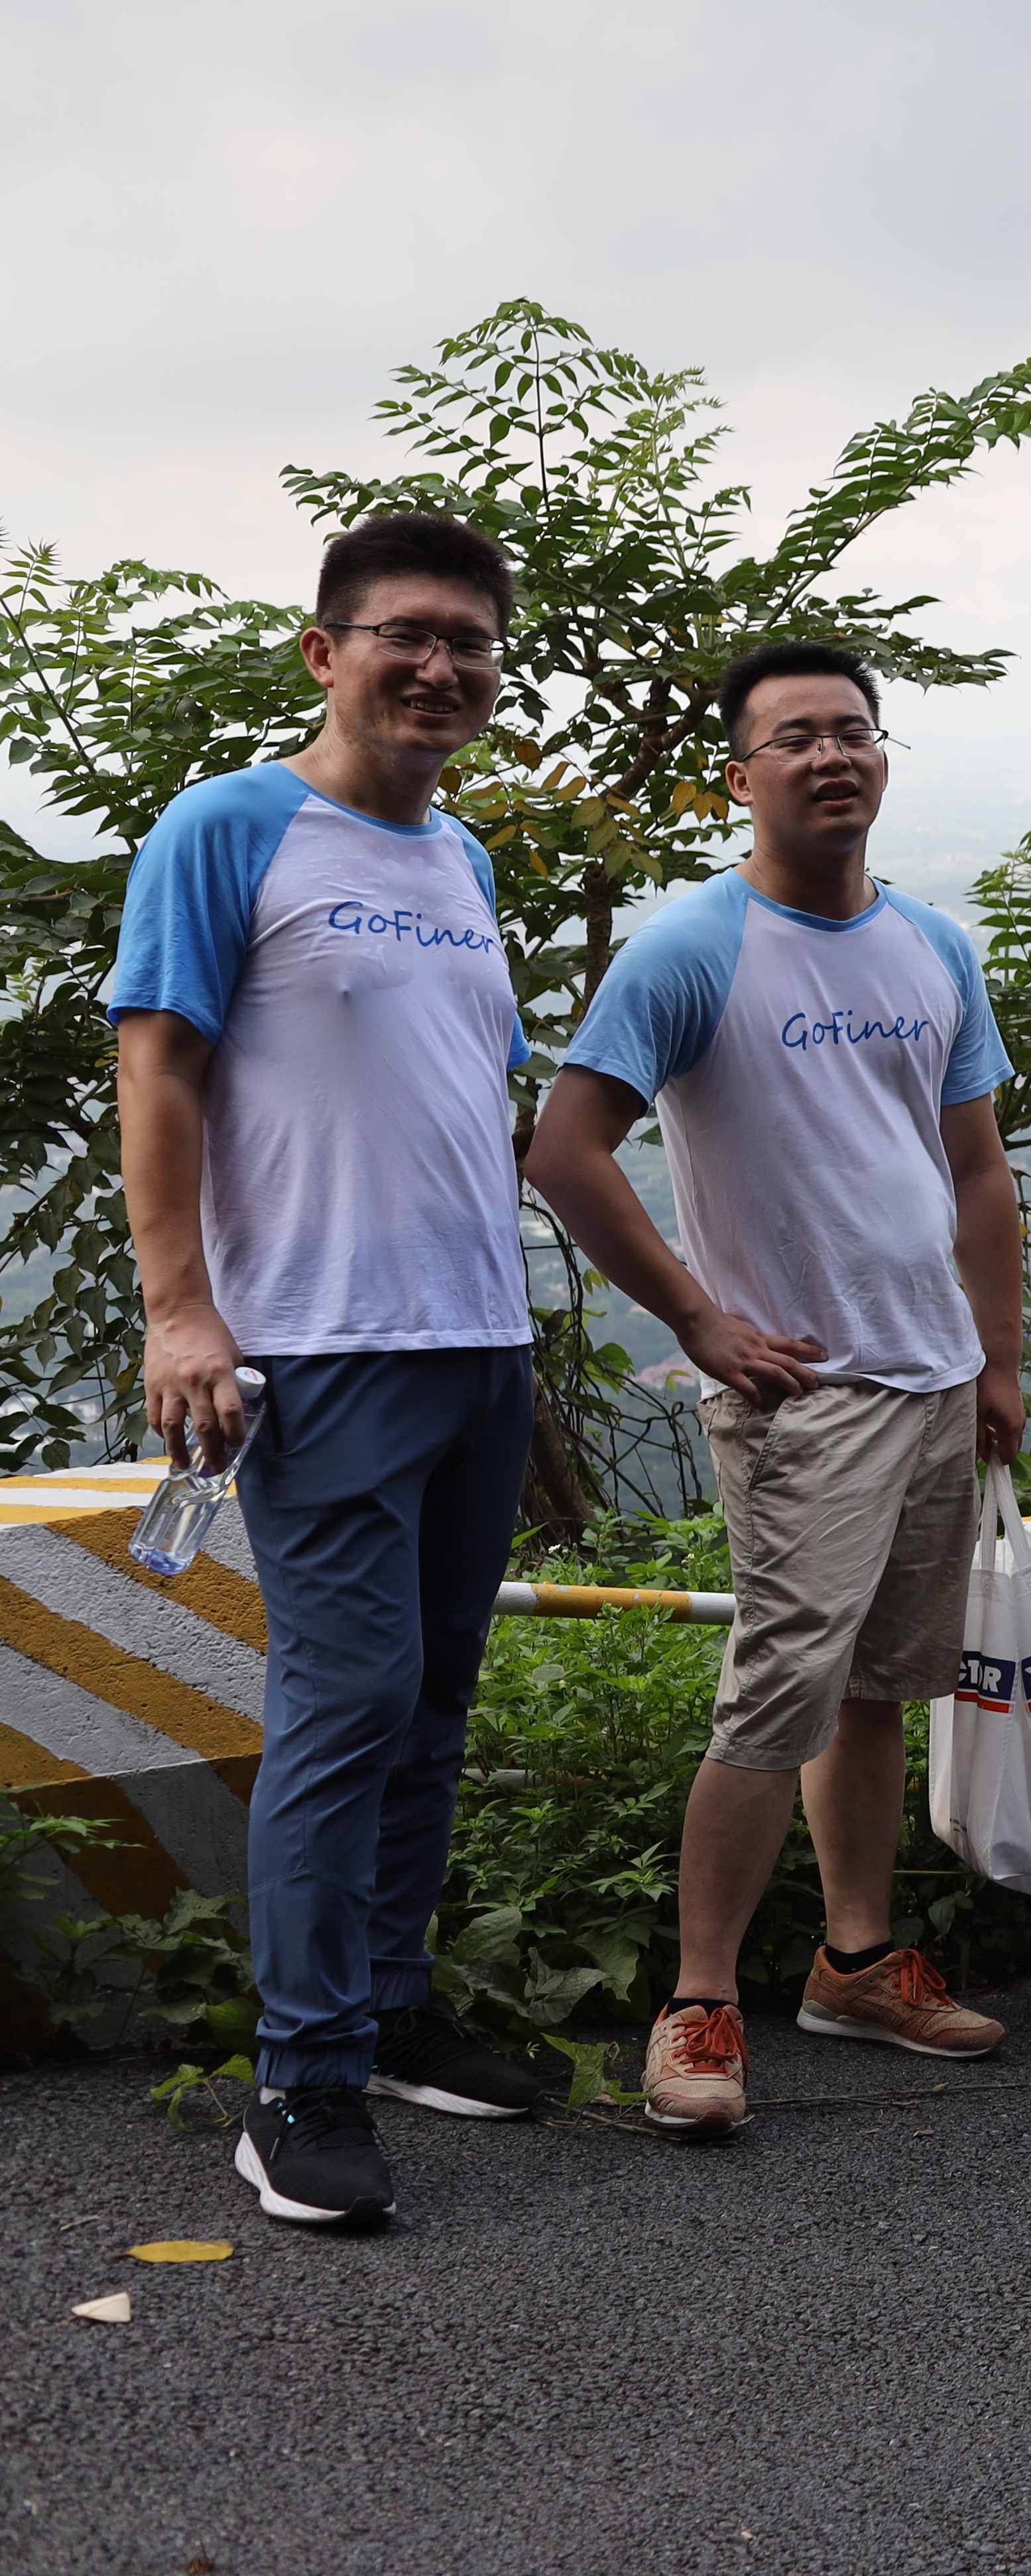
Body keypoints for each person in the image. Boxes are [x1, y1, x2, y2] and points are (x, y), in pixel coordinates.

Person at [527, 640, 1026, 2139]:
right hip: (808, 1392)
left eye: (856, 733)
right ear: (741, 777)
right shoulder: (694, 949)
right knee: (775, 1697)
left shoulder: (932, 946)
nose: (833, 757)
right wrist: (700, 1321)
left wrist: (995, 1362)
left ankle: (857, 1961)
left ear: (883, 761)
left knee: (875, 1690)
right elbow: (564, 1148)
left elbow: (979, 1168)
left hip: (934, 1375)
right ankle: (697, 2004)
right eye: (796, 737)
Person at [115, 510, 548, 2226]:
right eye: (406, 633)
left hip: (474, 1344)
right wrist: (181, 1310)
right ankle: (295, 2080)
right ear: (325, 651)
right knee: (348, 1699)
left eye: (471, 641)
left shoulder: (465, 863)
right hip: (316, 1347)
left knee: (434, 1701)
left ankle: (386, 2011)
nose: (440, 665)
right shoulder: (232, 828)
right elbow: (159, 1070)